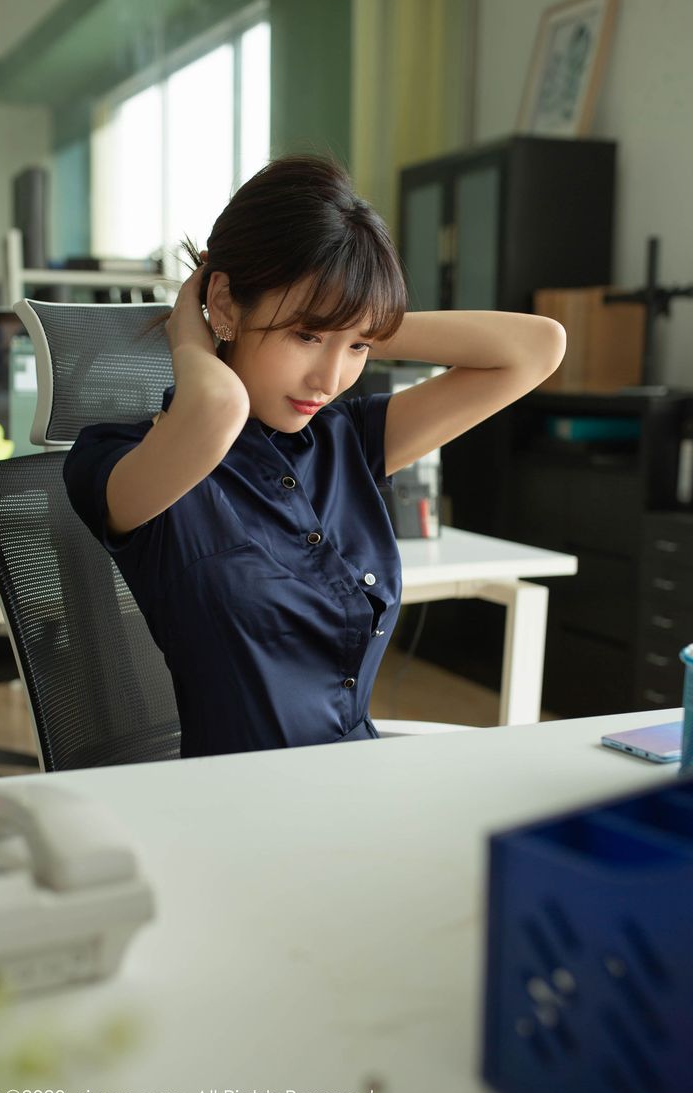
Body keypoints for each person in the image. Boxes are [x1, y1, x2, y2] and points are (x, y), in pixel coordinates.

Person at [64, 155, 565, 757]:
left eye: (357, 347)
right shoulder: (118, 460)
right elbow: (216, 412)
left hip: (354, 785)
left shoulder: (342, 438)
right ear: (222, 303)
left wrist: (351, 315)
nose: (331, 379)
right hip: (233, 811)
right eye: (305, 336)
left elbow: (538, 348)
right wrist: (193, 332)